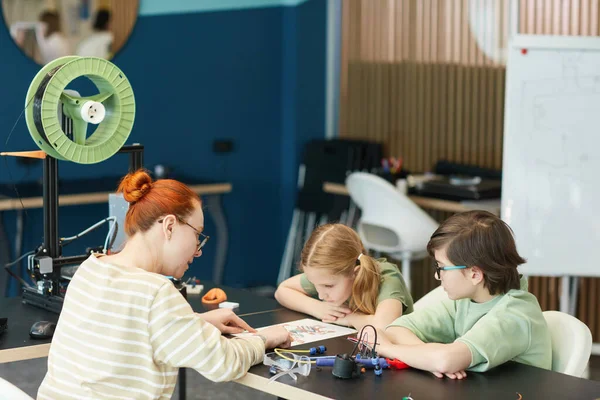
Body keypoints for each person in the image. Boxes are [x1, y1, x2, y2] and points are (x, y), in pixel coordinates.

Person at [37, 169, 291, 399]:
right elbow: (223, 363)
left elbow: (127, 328)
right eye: (197, 234)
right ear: (169, 226)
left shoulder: (90, 267)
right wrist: (264, 339)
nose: (198, 251)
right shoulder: (156, 292)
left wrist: (195, 323)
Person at [376, 211, 552, 379]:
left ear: (474, 274)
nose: (437, 275)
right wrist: (430, 358)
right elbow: (396, 329)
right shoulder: (468, 300)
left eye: (441, 267)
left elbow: (444, 361)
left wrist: (387, 349)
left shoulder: (515, 314)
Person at [275, 223, 413, 330]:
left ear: (356, 273)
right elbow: (282, 290)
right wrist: (317, 308)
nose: (321, 295)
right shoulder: (326, 277)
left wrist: (350, 318)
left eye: (328, 286)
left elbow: (383, 326)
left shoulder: (386, 277)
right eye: (314, 283)